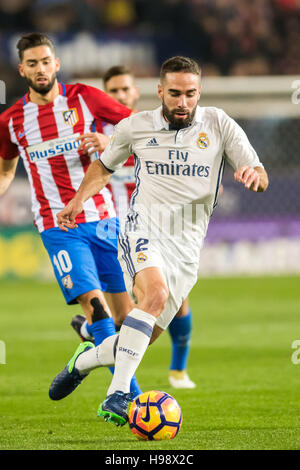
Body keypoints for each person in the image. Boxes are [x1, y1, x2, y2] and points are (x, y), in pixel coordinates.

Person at [49, 56, 269, 426]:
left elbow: (261, 175)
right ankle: (117, 395)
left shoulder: (218, 123)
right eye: (175, 94)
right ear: (159, 91)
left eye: (191, 94)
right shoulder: (135, 127)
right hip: (142, 228)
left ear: (200, 92)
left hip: (187, 247)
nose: (183, 102)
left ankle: (83, 360)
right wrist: (76, 201)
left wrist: (252, 174)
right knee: (156, 296)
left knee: (138, 339)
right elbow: (103, 167)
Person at [0, 32, 142, 397]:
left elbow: (140, 130)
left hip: (104, 217)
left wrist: (110, 142)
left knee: (128, 319)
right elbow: (5, 170)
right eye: (32, 63)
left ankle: (84, 356)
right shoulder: (12, 121)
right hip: (57, 225)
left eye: (46, 61)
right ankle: (127, 398)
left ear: (56, 63)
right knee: (97, 309)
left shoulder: (84, 97)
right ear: (22, 69)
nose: (40, 69)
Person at [71, 65, 196, 389]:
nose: (120, 95)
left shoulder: (155, 130)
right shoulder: (89, 134)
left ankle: (178, 371)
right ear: (104, 96)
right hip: (112, 229)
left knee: (172, 300)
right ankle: (117, 379)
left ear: (137, 92)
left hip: (154, 229)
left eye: (125, 89)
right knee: (140, 308)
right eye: (113, 91)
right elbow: (92, 171)